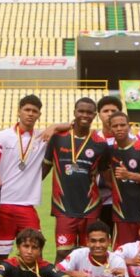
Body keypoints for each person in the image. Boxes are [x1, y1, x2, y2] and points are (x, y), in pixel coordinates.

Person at [44, 97, 110, 262]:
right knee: (63, 253)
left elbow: (106, 175)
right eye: (81, 111)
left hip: (90, 206)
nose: (85, 115)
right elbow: (43, 170)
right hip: (63, 205)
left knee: (91, 253)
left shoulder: (100, 144)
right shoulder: (57, 138)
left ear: (94, 115)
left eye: (89, 112)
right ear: (74, 112)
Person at [0, 95, 49, 261]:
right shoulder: (2, 136)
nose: (30, 114)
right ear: (19, 111)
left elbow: (70, 127)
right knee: (1, 255)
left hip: (26, 205)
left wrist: (54, 127)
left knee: (36, 252)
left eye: (34, 111)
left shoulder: (42, 137)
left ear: (39, 115)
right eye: (27, 110)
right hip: (1, 204)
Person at [105, 111, 140, 246]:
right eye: (115, 126)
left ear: (129, 126)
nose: (119, 128)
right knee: (121, 253)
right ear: (110, 129)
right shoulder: (109, 151)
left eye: (122, 125)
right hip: (122, 212)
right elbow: (105, 175)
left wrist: (129, 175)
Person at [95, 94, 123, 230]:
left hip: (122, 200)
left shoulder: (133, 140)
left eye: (114, 111)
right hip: (95, 201)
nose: (110, 114)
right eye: (105, 111)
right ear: (99, 114)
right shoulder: (92, 139)